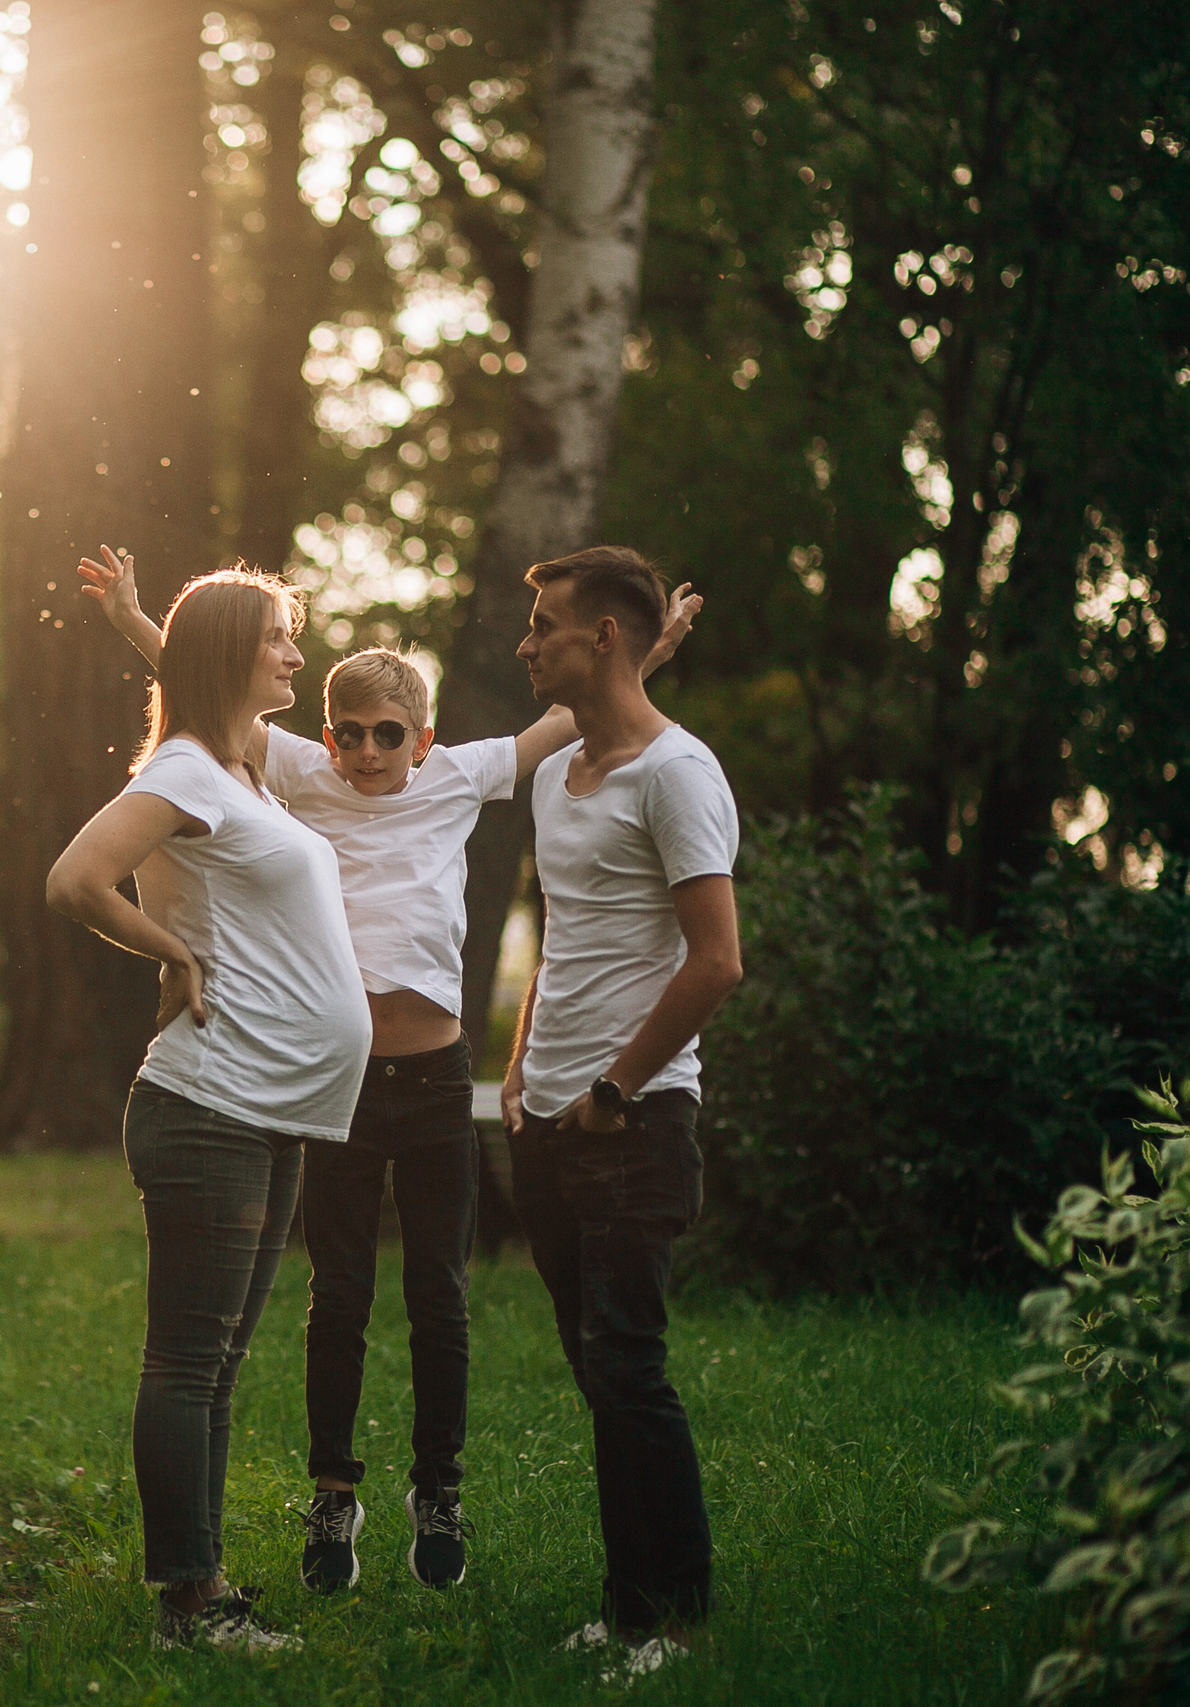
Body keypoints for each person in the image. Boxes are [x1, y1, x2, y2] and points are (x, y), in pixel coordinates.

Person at [77, 548, 699, 1595]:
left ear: (424, 739)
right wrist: (139, 622)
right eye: (350, 733)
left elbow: (571, 714)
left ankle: (437, 1486)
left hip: (435, 1078)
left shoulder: (459, 776)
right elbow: (207, 679)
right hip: (338, 1088)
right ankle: (333, 1492)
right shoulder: (298, 774)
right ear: (326, 737)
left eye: (388, 735)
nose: (366, 751)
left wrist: (648, 650)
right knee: (338, 1295)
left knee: (439, 1294)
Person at [45, 568, 370, 1654]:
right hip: (211, 1101)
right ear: (235, 653)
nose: (296, 655)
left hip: (265, 1107)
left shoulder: (240, 769)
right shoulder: (187, 770)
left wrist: (144, 625)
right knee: (189, 1364)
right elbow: (76, 879)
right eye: (278, 637)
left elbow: (192, 676)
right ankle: (187, 1605)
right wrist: (172, 950)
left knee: (217, 1366)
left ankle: (203, 1589)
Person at [499, 545, 743, 1682]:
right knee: (597, 1371)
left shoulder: (678, 774)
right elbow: (563, 937)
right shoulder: (557, 774)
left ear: (601, 637)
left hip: (631, 1124)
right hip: (548, 1122)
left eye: (543, 624)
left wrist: (612, 1090)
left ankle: (675, 1623)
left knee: (630, 1369)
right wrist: (520, 1069)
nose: (526, 643)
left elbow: (716, 961)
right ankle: (627, 1605)